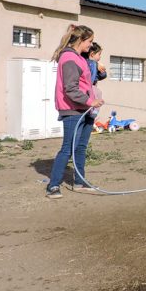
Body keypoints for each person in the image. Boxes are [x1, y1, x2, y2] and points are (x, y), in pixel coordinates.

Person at [46, 25, 104, 199]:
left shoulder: (79, 58)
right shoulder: (69, 58)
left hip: (85, 110)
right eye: (90, 41)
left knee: (80, 147)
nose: (91, 45)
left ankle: (80, 182)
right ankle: (53, 185)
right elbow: (70, 88)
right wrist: (90, 100)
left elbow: (87, 83)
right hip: (72, 110)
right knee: (67, 149)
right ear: (80, 40)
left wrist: (93, 100)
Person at [82, 42, 107, 118]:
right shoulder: (89, 62)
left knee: (97, 94)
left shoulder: (95, 64)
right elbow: (89, 65)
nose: (100, 57)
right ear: (92, 54)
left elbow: (100, 77)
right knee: (97, 93)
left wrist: (102, 72)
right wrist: (96, 65)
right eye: (99, 54)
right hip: (89, 86)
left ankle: (93, 110)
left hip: (92, 85)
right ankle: (94, 111)